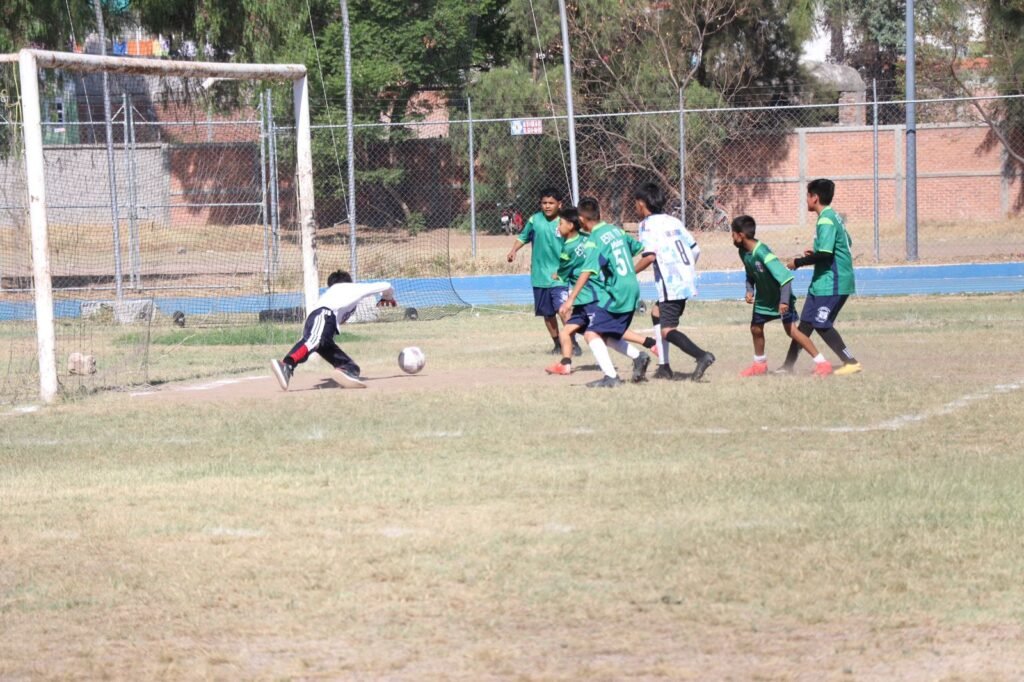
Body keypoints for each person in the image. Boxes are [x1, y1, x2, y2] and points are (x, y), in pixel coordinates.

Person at [559, 198, 651, 387]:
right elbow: (637, 248)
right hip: (632, 286)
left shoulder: (594, 240)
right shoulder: (616, 230)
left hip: (617, 291)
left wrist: (570, 299)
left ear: (581, 219)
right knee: (605, 333)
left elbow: (587, 271)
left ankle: (611, 377)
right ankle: (638, 357)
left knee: (591, 334)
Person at [731, 215, 833, 377]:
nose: (732, 237)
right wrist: (749, 289)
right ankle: (759, 365)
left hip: (781, 298)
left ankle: (823, 363)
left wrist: (784, 301)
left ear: (740, 235)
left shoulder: (763, 253)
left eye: (733, 233)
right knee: (755, 328)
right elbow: (750, 272)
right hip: (764, 300)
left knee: (792, 331)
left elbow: (785, 278)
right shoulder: (743, 252)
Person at [633, 183, 716, 382]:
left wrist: (629, 273)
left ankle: (702, 356)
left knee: (667, 330)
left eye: (635, 203)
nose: (635, 207)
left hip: (671, 283)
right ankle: (664, 367)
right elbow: (695, 249)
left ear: (642, 203)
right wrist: (685, 270)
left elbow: (650, 256)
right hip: (685, 279)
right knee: (657, 313)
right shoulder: (673, 220)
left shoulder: (646, 225)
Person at [779, 178, 862, 375]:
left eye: (807, 196)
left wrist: (798, 262)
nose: (806, 200)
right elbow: (845, 242)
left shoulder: (825, 220)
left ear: (815, 198)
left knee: (821, 323)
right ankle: (787, 366)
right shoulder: (833, 216)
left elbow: (826, 254)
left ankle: (851, 362)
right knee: (805, 326)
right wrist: (816, 252)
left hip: (833, 282)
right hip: (821, 282)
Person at [269, 269, 396, 391]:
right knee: (313, 340)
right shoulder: (351, 288)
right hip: (324, 316)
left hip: (324, 323)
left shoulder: (332, 295)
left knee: (350, 365)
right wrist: (387, 297)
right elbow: (386, 285)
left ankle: (346, 370)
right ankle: (287, 364)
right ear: (348, 283)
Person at [506, 187, 581, 356]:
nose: (547, 206)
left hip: (559, 276)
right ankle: (557, 344)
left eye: (551, 203)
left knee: (563, 310)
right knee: (547, 314)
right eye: (544, 203)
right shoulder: (534, 220)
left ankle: (573, 343)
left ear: (559, 204)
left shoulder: (565, 222)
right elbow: (523, 237)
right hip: (539, 276)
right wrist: (513, 250)